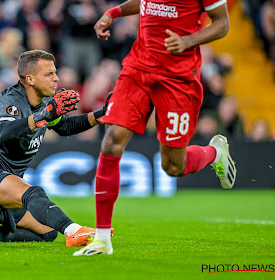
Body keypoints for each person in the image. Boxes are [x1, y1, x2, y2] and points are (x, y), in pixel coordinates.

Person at [74, 0, 236, 256]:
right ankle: (102, 239)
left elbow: (222, 24)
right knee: (112, 139)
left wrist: (188, 41)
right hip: (138, 69)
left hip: (178, 79)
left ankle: (215, 153)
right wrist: (113, 12)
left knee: (173, 166)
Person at [0, 50, 112, 246]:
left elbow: (65, 126)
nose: (56, 78)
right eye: (49, 74)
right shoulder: (11, 101)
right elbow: (4, 132)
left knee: (48, 231)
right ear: (30, 79)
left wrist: (100, 115)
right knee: (33, 193)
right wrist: (43, 116)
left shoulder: (44, 103)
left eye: (55, 72)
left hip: (2, 180)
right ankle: (74, 231)